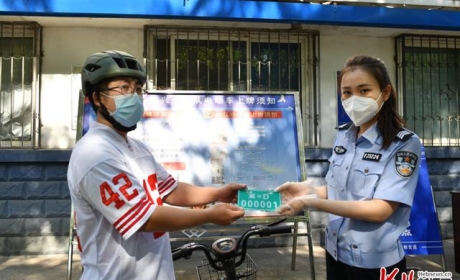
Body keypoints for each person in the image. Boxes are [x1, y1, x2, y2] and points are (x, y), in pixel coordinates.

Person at [67, 50, 246, 280]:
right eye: (123, 87)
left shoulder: (136, 148)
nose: (133, 95)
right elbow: (145, 218)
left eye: (138, 89)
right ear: (96, 98)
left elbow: (171, 190)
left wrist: (218, 193)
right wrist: (209, 215)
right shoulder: (94, 154)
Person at [276, 55, 421, 280]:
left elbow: (380, 210)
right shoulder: (344, 135)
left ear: (385, 92)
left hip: (374, 264)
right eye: (347, 92)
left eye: (364, 91)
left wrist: (310, 203)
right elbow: (339, 190)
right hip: (336, 253)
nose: (354, 99)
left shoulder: (403, 143)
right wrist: (307, 189)